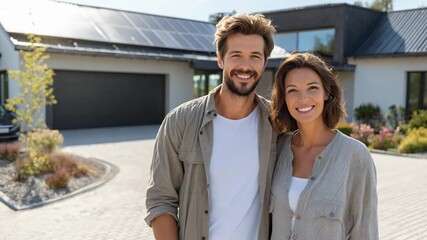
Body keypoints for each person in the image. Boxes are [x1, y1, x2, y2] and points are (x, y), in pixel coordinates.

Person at [145, 13, 277, 240]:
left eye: (255, 56)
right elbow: (161, 200)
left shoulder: (278, 123)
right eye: (236, 55)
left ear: (264, 62)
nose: (245, 66)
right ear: (220, 59)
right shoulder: (180, 121)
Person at [269, 52, 378, 240]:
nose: (303, 98)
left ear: (327, 92)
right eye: (292, 90)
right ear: (284, 98)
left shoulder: (355, 156)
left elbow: (365, 230)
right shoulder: (277, 148)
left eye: (312, 88)